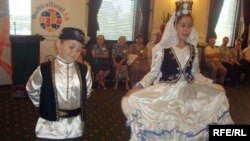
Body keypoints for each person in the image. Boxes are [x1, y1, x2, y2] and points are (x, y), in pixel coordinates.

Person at [121, 1, 233, 140]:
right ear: (175, 26)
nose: (186, 30)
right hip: (167, 94)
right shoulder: (164, 50)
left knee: (190, 126)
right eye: (183, 25)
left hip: (189, 93)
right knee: (168, 127)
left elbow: (196, 74)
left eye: (189, 26)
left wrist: (211, 83)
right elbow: (153, 73)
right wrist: (139, 86)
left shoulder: (193, 50)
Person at [26, 27, 92, 141]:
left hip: (75, 127)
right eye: (71, 47)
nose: (74, 52)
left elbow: (87, 92)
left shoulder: (83, 70)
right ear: (58, 44)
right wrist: (42, 105)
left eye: (79, 50)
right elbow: (31, 88)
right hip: (50, 127)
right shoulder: (44, 69)